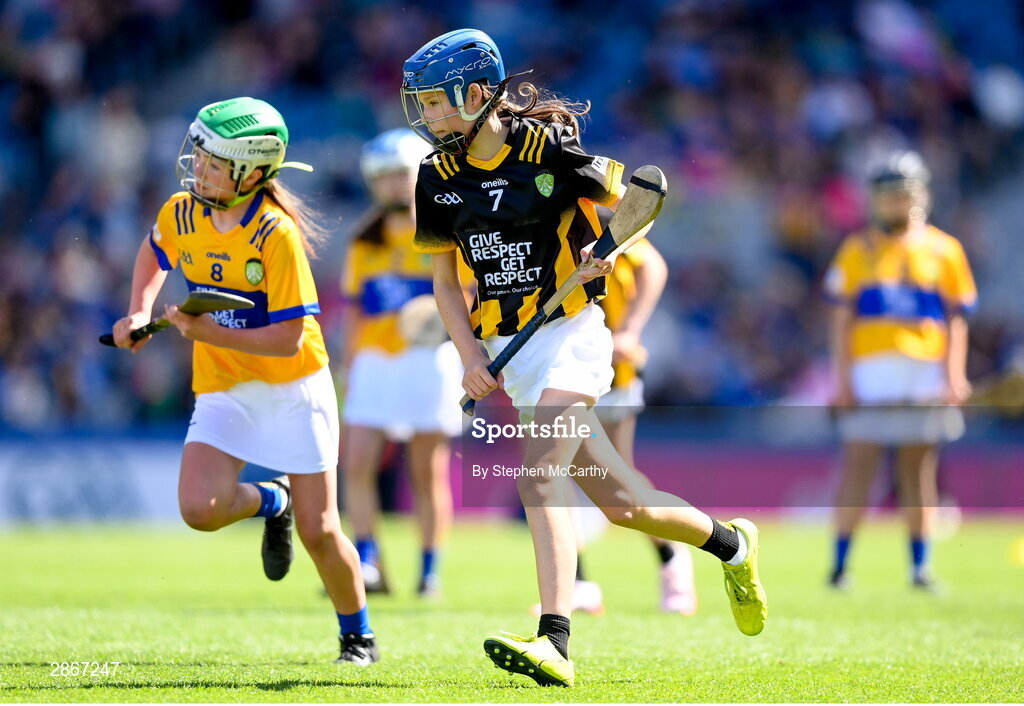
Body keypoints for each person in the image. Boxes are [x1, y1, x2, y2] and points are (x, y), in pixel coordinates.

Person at [402, 29, 767, 687]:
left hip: (574, 337)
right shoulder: (436, 178)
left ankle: (556, 643)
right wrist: (467, 356)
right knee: (626, 506)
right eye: (422, 104)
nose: (426, 117)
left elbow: (639, 201)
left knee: (539, 477)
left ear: (476, 94)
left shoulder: (546, 150)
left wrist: (611, 248)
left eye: (434, 102)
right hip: (510, 354)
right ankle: (732, 544)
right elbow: (443, 281)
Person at [112, 97, 379, 664]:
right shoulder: (182, 212)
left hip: (295, 389)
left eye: (212, 161)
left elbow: (287, 340)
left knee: (322, 532)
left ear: (251, 174)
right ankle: (271, 500)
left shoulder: (273, 235)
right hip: (225, 389)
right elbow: (154, 253)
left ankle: (357, 636)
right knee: (199, 509)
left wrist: (203, 331)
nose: (198, 167)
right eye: (200, 155)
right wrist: (140, 310)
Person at [824, 151, 976, 591]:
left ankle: (919, 568)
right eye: (888, 195)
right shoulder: (856, 250)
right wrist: (844, 380)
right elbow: (841, 321)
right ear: (874, 200)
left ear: (922, 196)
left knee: (917, 472)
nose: (895, 203)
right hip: (871, 373)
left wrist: (954, 374)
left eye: (904, 194)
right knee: (859, 468)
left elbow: (956, 319)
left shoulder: (945, 250)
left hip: (924, 371)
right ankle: (839, 567)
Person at [533, 235, 698, 617]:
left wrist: (632, 329)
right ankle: (580, 584)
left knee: (619, 480)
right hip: (556, 370)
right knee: (556, 475)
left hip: (610, 369)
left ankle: (673, 556)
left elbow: (654, 266)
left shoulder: (599, 217)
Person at [339, 128, 465, 598]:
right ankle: (368, 564)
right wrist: (348, 367)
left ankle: (429, 573)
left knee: (426, 472)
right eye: (383, 177)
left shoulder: (445, 230)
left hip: (430, 362)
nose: (392, 185)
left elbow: (468, 297)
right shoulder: (364, 241)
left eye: (401, 176)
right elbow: (355, 309)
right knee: (356, 465)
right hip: (374, 363)